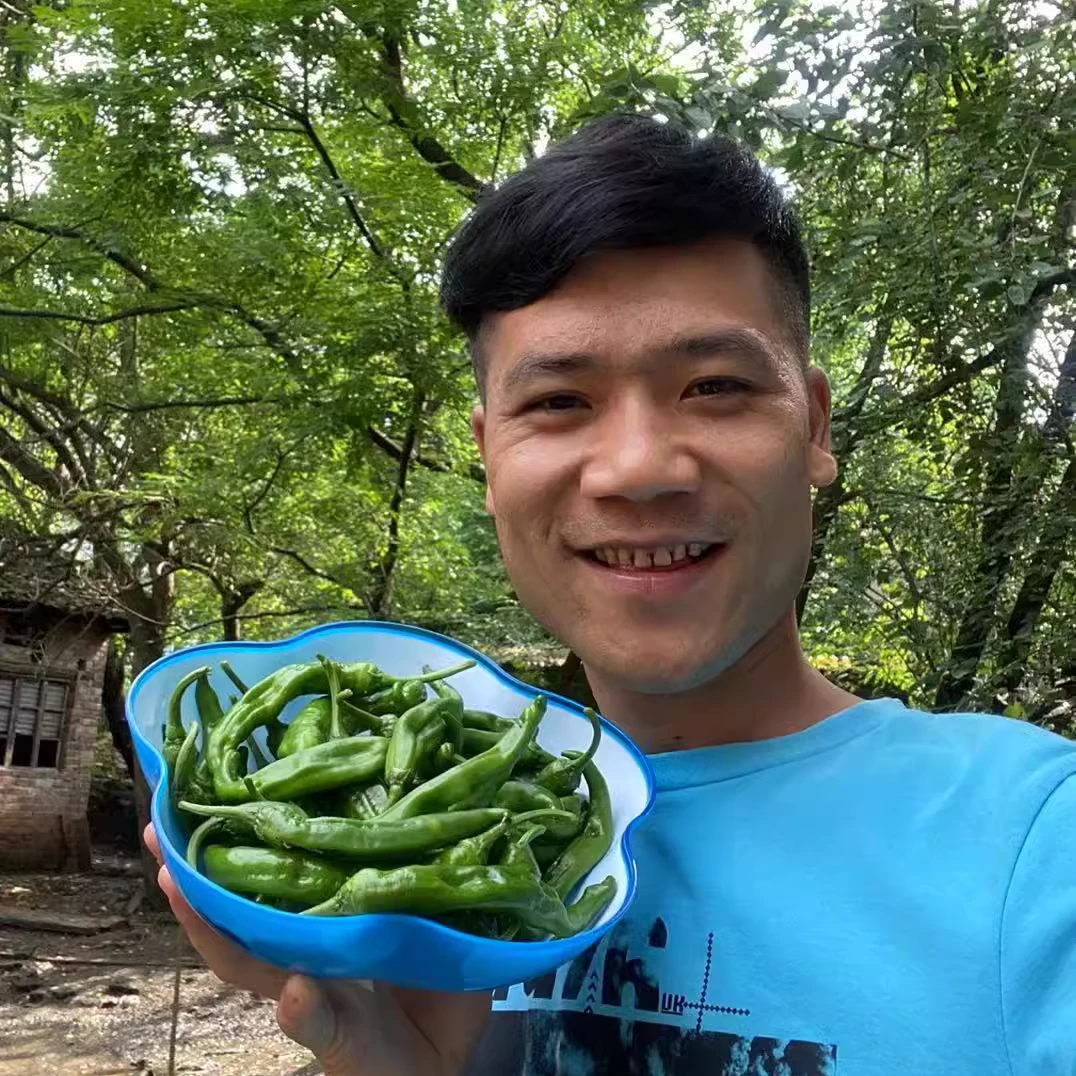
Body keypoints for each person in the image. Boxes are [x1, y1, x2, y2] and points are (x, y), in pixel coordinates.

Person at [147, 113, 1076, 1075]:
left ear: (815, 427)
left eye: (714, 387)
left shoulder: (1038, 844)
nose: (636, 469)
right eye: (557, 402)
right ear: (488, 456)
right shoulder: (395, 894)